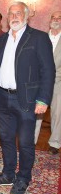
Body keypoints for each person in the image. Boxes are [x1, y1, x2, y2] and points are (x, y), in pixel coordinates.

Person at [0, 2, 55, 194]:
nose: (15, 16)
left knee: (26, 142)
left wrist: (43, 100)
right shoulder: (1, 40)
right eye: (11, 14)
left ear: (27, 16)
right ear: (7, 18)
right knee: (6, 139)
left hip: (26, 100)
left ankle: (24, 177)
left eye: (19, 13)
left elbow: (48, 71)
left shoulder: (39, 38)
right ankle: (8, 174)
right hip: (2, 98)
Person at [34, 11, 61, 154]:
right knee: (37, 111)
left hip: (59, 81)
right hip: (41, 80)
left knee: (58, 113)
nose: (56, 20)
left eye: (59, 18)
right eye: (53, 17)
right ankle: (31, 141)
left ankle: (55, 143)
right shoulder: (42, 37)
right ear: (50, 20)